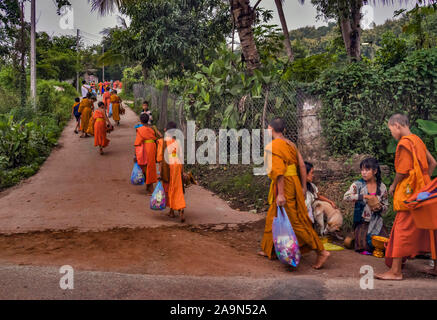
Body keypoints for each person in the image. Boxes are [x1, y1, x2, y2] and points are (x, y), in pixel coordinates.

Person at [258, 117, 330, 270]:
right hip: (295, 183)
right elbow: (302, 166)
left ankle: (321, 251)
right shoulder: (290, 144)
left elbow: (278, 173)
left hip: (284, 185)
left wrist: (281, 194)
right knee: (274, 215)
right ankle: (270, 249)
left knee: (294, 221)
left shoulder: (273, 146)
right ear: (283, 129)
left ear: (270, 128)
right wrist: (303, 186)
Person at [376, 114, 437, 280]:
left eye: (390, 130)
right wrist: (424, 181)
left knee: (402, 226)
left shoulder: (404, 143)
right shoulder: (417, 140)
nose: (392, 134)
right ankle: (436, 268)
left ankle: (395, 271)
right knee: (431, 227)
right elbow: (433, 163)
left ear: (396, 125)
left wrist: (394, 185)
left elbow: (402, 171)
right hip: (426, 190)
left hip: (411, 194)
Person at [343, 157, 390, 255]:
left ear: (375, 171)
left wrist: (380, 207)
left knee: (384, 244)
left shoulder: (382, 187)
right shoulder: (358, 185)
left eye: (367, 170)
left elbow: (386, 205)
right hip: (362, 222)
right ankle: (356, 238)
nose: (363, 172)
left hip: (377, 221)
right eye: (362, 170)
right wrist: (363, 196)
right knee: (364, 247)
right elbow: (346, 197)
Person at [305, 162, 343, 240]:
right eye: (311, 173)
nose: (313, 175)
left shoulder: (312, 186)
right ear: (303, 173)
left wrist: (330, 202)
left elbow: (318, 197)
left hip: (309, 216)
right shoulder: (297, 187)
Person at [159, 121, 186, 223]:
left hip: (168, 166)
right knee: (177, 188)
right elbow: (181, 158)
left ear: (165, 130)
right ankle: (179, 210)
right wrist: (182, 172)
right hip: (177, 166)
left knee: (169, 188)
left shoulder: (162, 142)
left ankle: (173, 211)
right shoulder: (177, 142)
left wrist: (160, 172)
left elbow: (160, 159)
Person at [134, 113, 158, 194]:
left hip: (144, 148)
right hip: (152, 147)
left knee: (145, 166)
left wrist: (135, 155)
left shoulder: (140, 129)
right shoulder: (152, 128)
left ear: (140, 121)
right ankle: (148, 185)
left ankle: (150, 188)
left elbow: (137, 142)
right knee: (150, 166)